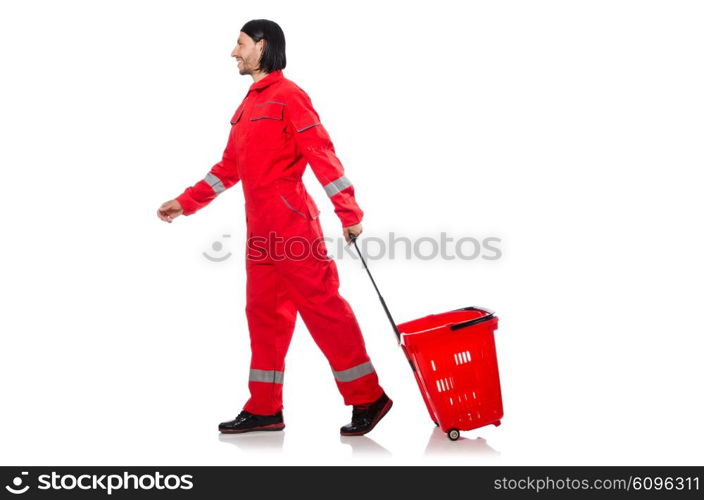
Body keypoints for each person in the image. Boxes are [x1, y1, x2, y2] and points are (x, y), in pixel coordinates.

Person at [156, 19, 392, 436]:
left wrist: (349, 213)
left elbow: (323, 156)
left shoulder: (289, 96)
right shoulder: (248, 106)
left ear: (262, 47)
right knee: (264, 317)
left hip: (294, 229)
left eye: (240, 43)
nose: (234, 52)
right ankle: (265, 407)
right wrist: (185, 201)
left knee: (324, 313)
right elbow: (228, 169)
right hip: (260, 234)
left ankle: (367, 397)